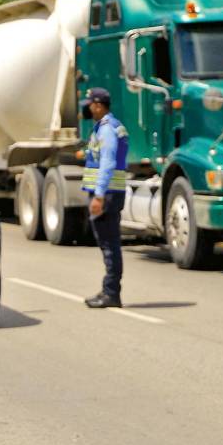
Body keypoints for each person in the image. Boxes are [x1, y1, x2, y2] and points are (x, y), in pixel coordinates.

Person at [81, 87, 129, 308]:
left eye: (90, 103)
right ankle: (109, 290)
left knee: (109, 244)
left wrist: (99, 195)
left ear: (98, 105)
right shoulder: (106, 127)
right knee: (108, 243)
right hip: (110, 193)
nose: (88, 107)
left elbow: (108, 162)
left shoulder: (107, 129)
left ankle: (111, 293)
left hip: (107, 194)